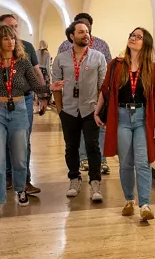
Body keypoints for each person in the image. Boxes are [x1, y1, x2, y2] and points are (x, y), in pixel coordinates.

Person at [0, 25, 63, 221]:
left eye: (12, 38)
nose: (10, 42)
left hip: (18, 110)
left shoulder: (23, 62)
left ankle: (21, 190)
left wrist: (50, 88)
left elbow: (35, 86)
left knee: (20, 157)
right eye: (5, 38)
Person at [95, 27, 155, 221]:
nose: (133, 38)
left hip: (142, 118)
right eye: (132, 35)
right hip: (122, 117)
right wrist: (97, 112)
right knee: (125, 162)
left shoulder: (153, 68)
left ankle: (145, 205)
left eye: (138, 37)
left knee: (143, 162)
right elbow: (105, 90)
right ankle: (129, 200)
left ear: (146, 43)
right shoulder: (116, 65)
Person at [0, 14, 45, 195]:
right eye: (8, 30)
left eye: (15, 28)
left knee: (22, 147)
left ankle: (23, 184)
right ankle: (4, 185)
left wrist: (45, 94)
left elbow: (36, 76)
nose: (13, 34)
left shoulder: (25, 51)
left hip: (22, 103)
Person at [52, 20, 107, 202]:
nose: (86, 35)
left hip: (91, 110)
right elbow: (56, 86)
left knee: (93, 146)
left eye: (87, 32)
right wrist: (60, 110)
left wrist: (99, 110)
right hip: (69, 110)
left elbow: (102, 87)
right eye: (81, 32)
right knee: (71, 147)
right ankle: (74, 179)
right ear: (72, 36)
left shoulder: (98, 57)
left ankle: (95, 182)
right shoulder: (61, 59)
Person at [57, 13, 113, 175]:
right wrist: (60, 108)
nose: (85, 30)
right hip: (72, 101)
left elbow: (107, 70)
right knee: (77, 135)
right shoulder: (65, 46)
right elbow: (59, 73)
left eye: (87, 27)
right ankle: (83, 159)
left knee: (97, 132)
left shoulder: (101, 45)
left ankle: (102, 161)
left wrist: (102, 101)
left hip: (93, 99)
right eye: (81, 27)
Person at [37, 40, 52, 114]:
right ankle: (44, 105)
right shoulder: (47, 53)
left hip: (37, 71)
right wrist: (48, 75)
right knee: (45, 88)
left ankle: (38, 105)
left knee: (38, 88)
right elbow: (48, 66)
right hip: (44, 72)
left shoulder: (36, 52)